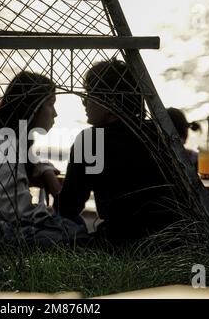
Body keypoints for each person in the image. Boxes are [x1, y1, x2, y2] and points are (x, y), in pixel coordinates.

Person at [54, 59, 179, 246]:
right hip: (174, 238)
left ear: (110, 102)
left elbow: (68, 207)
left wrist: (48, 178)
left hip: (121, 241)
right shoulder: (159, 133)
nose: (84, 103)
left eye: (88, 95)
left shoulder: (90, 141)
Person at [0, 71, 88, 246]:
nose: (55, 114)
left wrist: (43, 168)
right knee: (76, 229)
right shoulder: (6, 147)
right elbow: (16, 212)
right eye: (50, 104)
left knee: (72, 225)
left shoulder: (1, 139)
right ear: (32, 107)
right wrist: (49, 212)